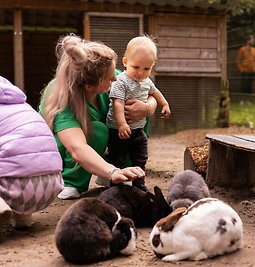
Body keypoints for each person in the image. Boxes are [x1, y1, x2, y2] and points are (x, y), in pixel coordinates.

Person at [40, 34, 155, 200]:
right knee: (98, 131)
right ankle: (72, 181)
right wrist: (111, 172)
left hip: (110, 139)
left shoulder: (107, 75)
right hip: (61, 152)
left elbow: (146, 89)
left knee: (134, 108)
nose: (115, 78)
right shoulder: (62, 100)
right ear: (89, 86)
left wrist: (148, 107)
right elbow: (77, 148)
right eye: (110, 78)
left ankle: (125, 169)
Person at [106, 35, 171, 191]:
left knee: (141, 155)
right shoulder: (120, 81)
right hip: (117, 129)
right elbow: (118, 104)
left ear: (152, 66)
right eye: (136, 67)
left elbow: (155, 93)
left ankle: (139, 181)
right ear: (125, 62)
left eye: (146, 69)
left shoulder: (146, 81)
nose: (141, 73)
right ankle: (116, 183)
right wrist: (121, 124)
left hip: (138, 129)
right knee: (118, 156)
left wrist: (165, 104)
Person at [0, 76, 64, 228]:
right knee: (22, 158)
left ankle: (1, 206)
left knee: (14, 162)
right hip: (52, 184)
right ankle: (23, 220)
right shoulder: (22, 106)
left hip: (12, 187)